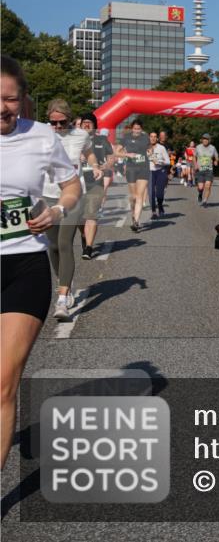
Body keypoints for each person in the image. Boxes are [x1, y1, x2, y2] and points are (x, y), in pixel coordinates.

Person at [1, 54, 81, 469]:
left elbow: (72, 185)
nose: (2, 107)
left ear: (23, 99)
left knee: (3, 383)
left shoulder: (42, 137)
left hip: (23, 266)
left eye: (10, 99)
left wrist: (58, 211)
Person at [43, 100, 101, 320]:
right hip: (47, 195)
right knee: (53, 246)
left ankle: (62, 298)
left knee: (65, 243)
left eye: (62, 122)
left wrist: (94, 166)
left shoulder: (81, 135)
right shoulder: (42, 135)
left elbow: (89, 152)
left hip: (75, 194)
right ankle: (64, 281)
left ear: (70, 118)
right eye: (53, 122)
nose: (57, 127)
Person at [78, 113, 114, 260]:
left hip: (95, 182)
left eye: (89, 123)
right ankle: (84, 235)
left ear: (94, 126)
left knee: (91, 215)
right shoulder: (74, 140)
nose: (86, 125)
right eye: (84, 123)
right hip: (77, 183)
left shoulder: (102, 140)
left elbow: (111, 158)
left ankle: (88, 247)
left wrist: (104, 166)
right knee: (79, 218)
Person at [117, 119, 150, 232]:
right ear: (132, 128)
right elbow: (116, 152)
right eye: (135, 129)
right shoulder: (126, 138)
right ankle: (133, 213)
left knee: (140, 195)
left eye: (139, 129)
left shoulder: (145, 137)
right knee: (134, 197)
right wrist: (127, 154)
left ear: (141, 129)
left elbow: (150, 148)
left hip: (144, 168)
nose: (136, 131)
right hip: (131, 168)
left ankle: (136, 221)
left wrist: (150, 152)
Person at [148, 131, 170, 218]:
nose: (153, 138)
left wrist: (159, 162)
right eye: (151, 136)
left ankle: (160, 206)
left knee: (159, 193)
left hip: (160, 171)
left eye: (155, 137)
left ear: (157, 138)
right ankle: (153, 211)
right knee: (151, 193)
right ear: (149, 138)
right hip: (150, 172)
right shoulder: (145, 148)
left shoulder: (161, 148)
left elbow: (168, 161)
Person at [195, 133, 219, 206]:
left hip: (209, 170)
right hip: (200, 170)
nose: (205, 140)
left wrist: (216, 161)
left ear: (209, 140)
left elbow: (217, 157)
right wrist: (195, 164)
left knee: (208, 186)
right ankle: (200, 193)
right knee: (200, 187)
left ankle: (205, 201)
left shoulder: (213, 148)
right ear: (202, 140)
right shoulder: (198, 147)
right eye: (204, 139)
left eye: (206, 139)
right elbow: (194, 157)